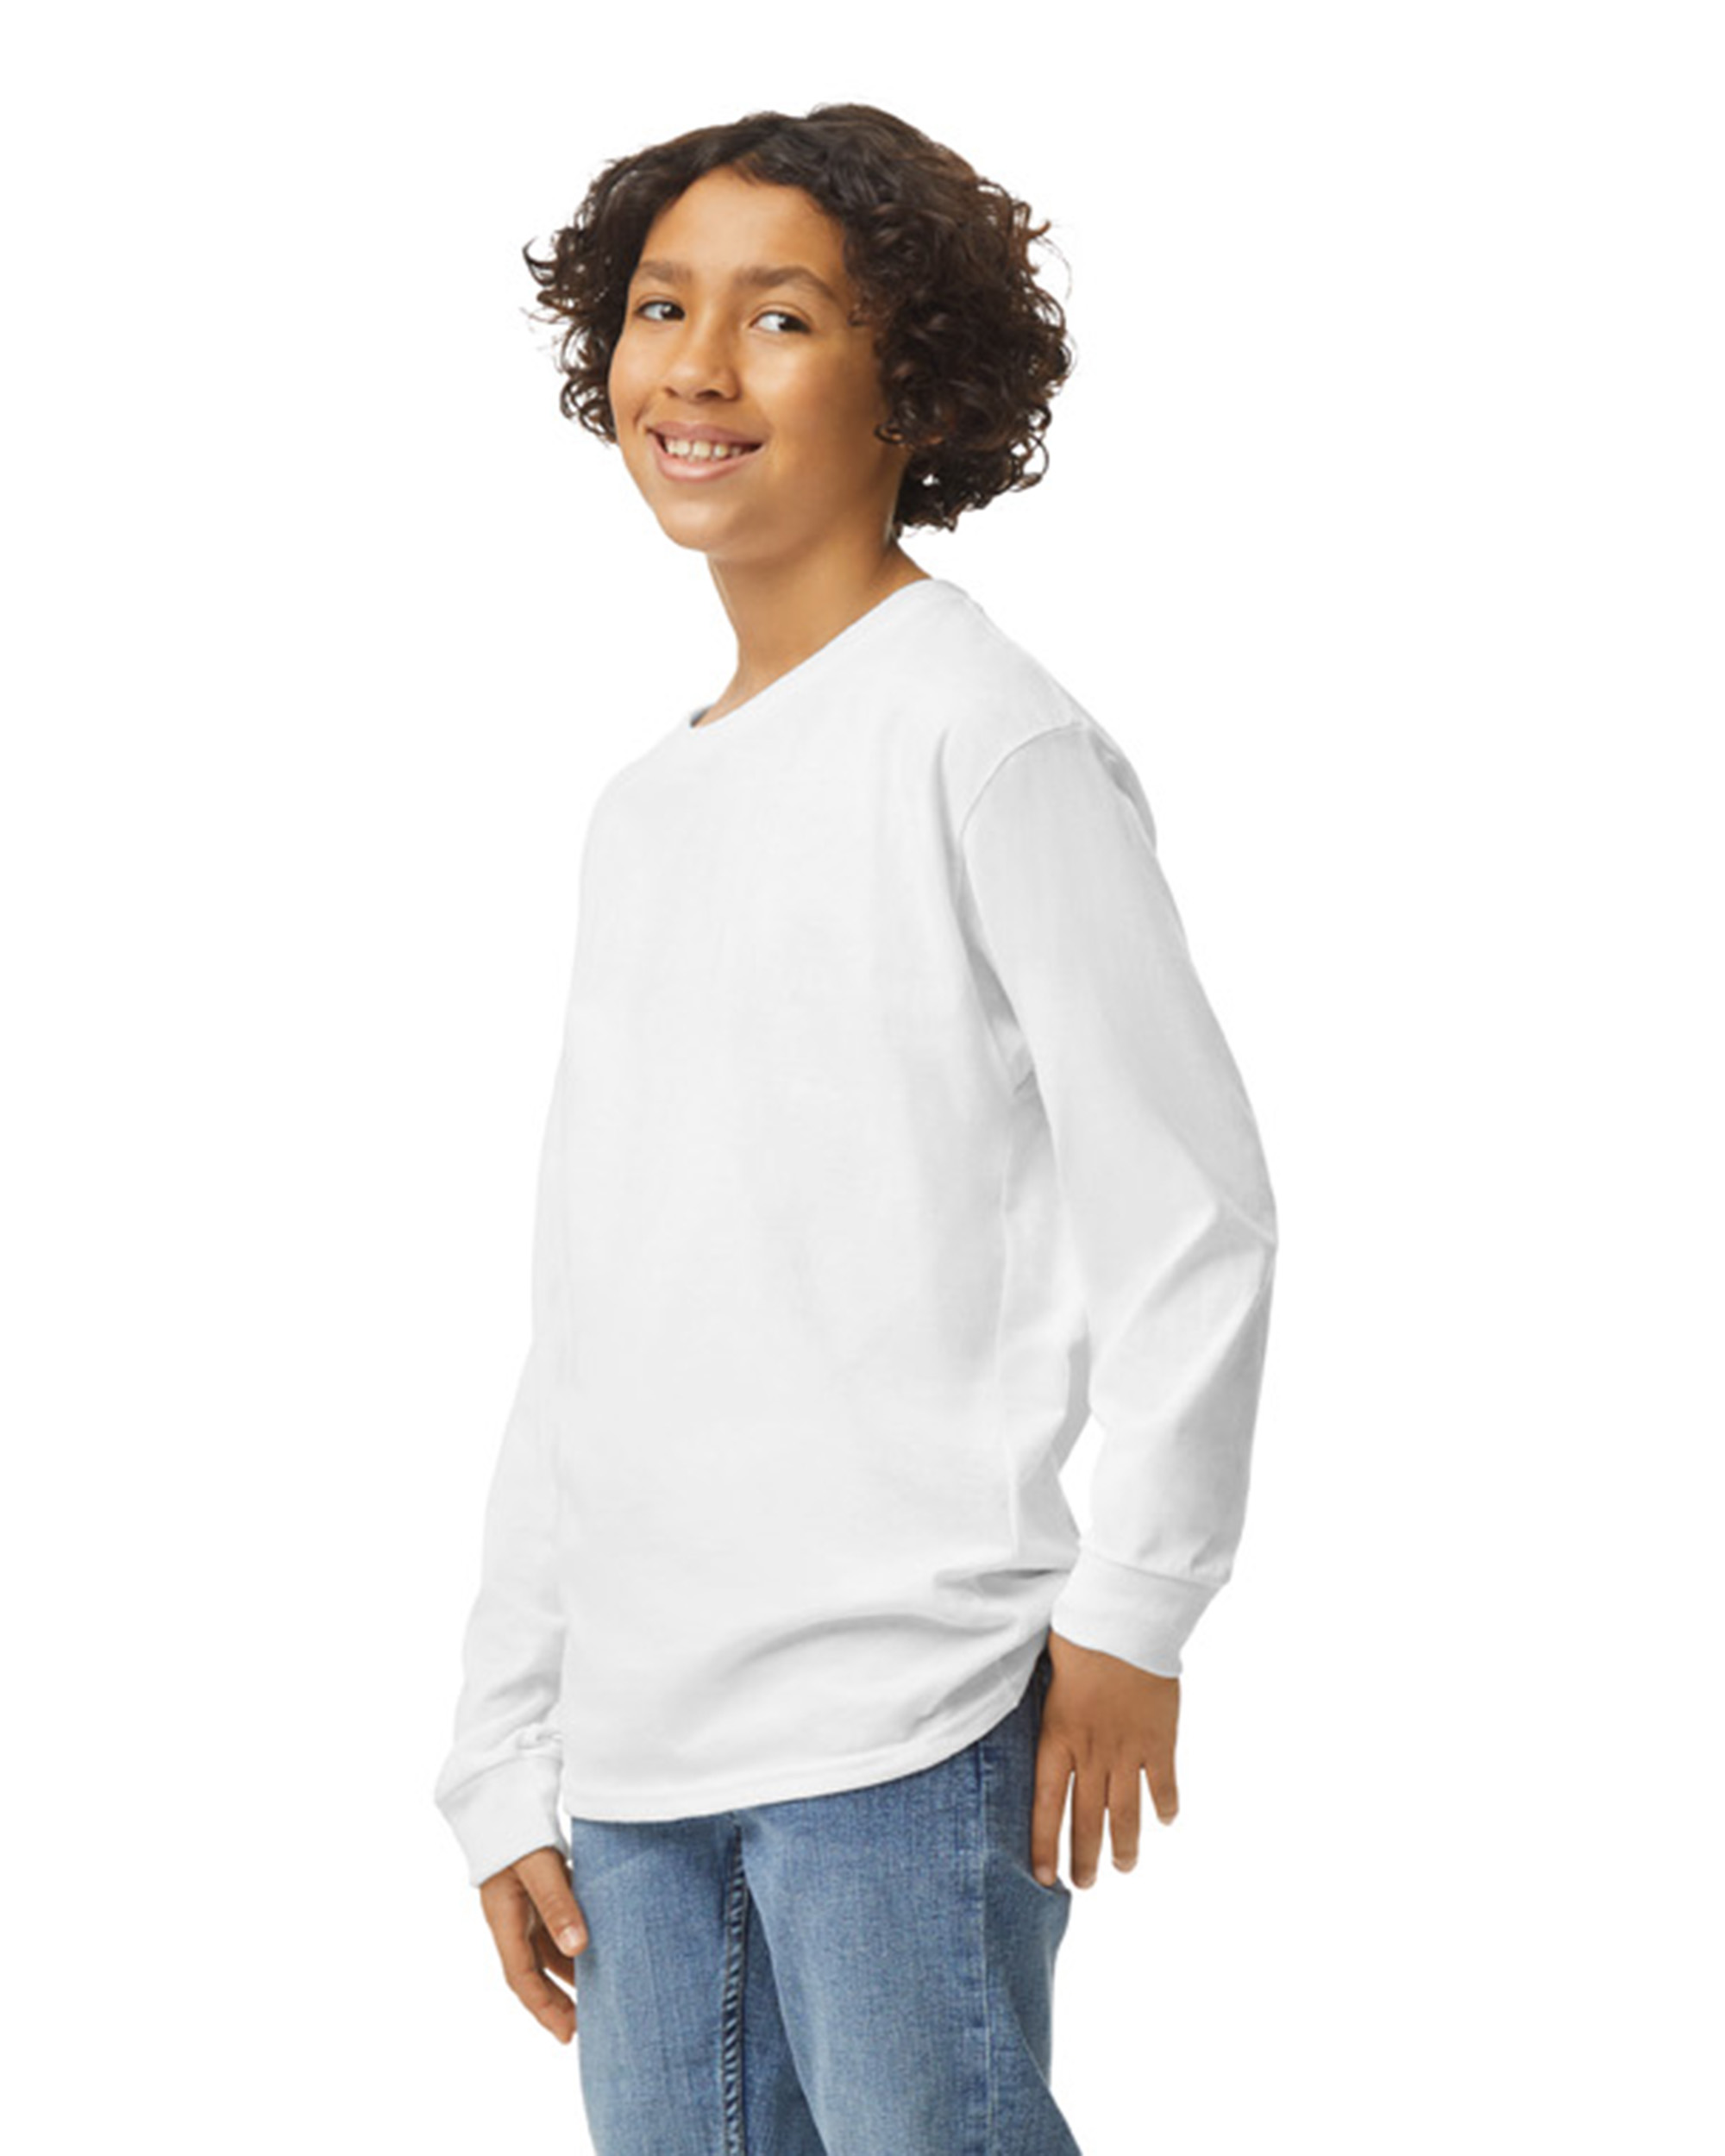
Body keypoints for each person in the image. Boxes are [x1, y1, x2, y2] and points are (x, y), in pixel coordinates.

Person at [432, 101, 1279, 2156]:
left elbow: (1190, 1209)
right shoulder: (642, 814)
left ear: (920, 381)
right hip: (638, 1758)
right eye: (660, 309)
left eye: (782, 316)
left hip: (906, 1716)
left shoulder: (981, 737)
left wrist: (1135, 1607)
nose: (698, 368)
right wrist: (505, 1740)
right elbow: (592, 1310)